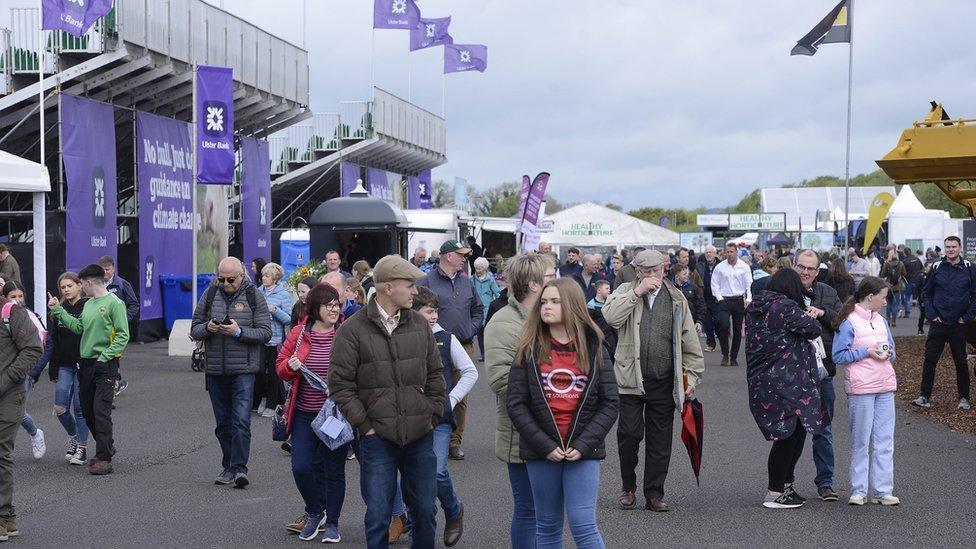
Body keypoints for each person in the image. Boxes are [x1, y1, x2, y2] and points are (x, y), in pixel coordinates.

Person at [328, 255, 445, 549]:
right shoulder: (352, 329)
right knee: (379, 517)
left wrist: (432, 415)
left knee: (425, 514)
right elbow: (340, 384)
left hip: (420, 435)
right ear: (388, 288)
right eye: (410, 285)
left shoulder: (420, 325)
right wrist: (365, 426)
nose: (415, 292)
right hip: (377, 438)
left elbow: (435, 374)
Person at [507, 278, 618, 548]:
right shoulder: (528, 349)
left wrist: (583, 444)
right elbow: (516, 403)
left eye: (555, 301)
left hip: (583, 449)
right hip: (541, 449)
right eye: (544, 301)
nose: (546, 306)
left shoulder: (595, 347)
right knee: (547, 527)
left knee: (584, 525)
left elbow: (610, 402)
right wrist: (544, 445)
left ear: (572, 305)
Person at [602, 250, 704, 512]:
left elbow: (690, 344)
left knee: (660, 440)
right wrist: (637, 292)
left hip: (663, 380)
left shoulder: (676, 298)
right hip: (629, 377)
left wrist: (690, 377)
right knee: (628, 434)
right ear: (637, 272)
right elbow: (611, 317)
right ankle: (628, 486)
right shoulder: (625, 290)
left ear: (663, 270)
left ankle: (654, 494)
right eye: (645, 272)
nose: (651, 277)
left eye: (655, 272)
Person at [387, 286, 478, 547]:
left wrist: (450, 399)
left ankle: (453, 510)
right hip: (408, 419)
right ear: (413, 312)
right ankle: (417, 523)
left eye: (436, 311)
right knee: (410, 475)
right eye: (428, 311)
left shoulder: (447, 339)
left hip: (438, 420)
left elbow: (470, 372)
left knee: (436, 471)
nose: (434, 316)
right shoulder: (400, 336)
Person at [485, 254, 555, 548]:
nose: (558, 283)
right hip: (522, 433)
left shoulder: (550, 316)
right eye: (552, 277)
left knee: (549, 514)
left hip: (555, 430)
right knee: (529, 511)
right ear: (534, 285)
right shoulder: (503, 323)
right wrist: (552, 390)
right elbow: (501, 380)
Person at [744, 269, 824, 509]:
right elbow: (813, 329)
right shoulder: (784, 307)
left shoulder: (757, 306)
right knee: (788, 437)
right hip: (786, 383)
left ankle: (786, 486)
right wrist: (805, 310)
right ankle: (775, 492)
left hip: (764, 382)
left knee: (794, 433)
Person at [190, 257, 272, 488]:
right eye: (221, 278)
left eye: (231, 279)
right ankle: (228, 465)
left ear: (242, 276)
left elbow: (265, 332)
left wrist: (238, 331)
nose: (225, 283)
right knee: (223, 424)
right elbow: (195, 329)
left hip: (244, 370)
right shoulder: (210, 293)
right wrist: (208, 327)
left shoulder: (254, 296)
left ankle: (239, 469)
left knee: (241, 421)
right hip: (215, 370)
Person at [276, 283, 349, 542]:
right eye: (328, 305)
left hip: (335, 415)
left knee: (333, 470)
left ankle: (334, 523)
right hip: (305, 414)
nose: (334, 309)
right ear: (315, 307)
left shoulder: (346, 332)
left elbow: (361, 369)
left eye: (336, 304)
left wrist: (341, 387)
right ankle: (316, 511)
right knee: (301, 467)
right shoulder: (298, 333)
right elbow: (280, 367)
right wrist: (290, 366)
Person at [47, 264, 130, 475]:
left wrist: (105, 357)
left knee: (100, 410)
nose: (80, 288)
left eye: (81, 284)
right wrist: (58, 311)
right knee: (88, 409)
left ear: (88, 282)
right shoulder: (90, 305)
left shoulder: (114, 303)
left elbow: (123, 335)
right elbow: (78, 327)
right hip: (85, 364)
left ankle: (103, 457)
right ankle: (107, 444)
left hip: (105, 364)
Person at [831, 276, 900, 506]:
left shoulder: (881, 320)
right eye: (883, 297)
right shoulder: (849, 322)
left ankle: (882, 490)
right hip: (861, 389)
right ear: (870, 297)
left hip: (885, 385)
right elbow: (838, 355)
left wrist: (888, 353)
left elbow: (892, 349)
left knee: (885, 440)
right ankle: (858, 490)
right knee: (861, 441)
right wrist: (867, 352)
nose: (885, 302)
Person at [417, 240, 483, 461]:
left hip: (463, 343)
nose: (464, 258)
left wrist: (471, 328)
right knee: (433, 389)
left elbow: (478, 308)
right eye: (460, 254)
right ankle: (429, 435)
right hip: (434, 344)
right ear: (447, 256)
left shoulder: (467, 282)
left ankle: (455, 441)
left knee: (461, 394)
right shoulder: (426, 281)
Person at [793, 249, 843, 501]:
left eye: (810, 268)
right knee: (790, 431)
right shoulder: (785, 292)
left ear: (817, 271)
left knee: (823, 430)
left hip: (823, 372)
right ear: (794, 266)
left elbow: (843, 322)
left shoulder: (828, 293)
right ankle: (784, 483)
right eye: (801, 266)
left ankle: (825, 482)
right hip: (792, 374)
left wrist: (822, 313)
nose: (805, 272)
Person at [32, 272, 89, 465]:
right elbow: (54, 341)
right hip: (64, 364)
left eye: (69, 286)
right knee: (60, 407)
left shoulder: (87, 306)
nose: (66, 290)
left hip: (83, 364)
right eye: (63, 287)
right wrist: (53, 368)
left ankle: (82, 448)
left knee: (80, 408)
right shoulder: (58, 309)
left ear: (79, 285)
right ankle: (73, 437)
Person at [914, 236, 976, 410]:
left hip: (959, 323)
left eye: (954, 246)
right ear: (945, 248)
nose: (950, 249)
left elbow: (975, 296)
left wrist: (967, 316)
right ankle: (924, 396)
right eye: (948, 247)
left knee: (961, 362)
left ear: (960, 248)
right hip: (938, 323)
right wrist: (932, 314)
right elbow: (926, 293)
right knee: (930, 359)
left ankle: (964, 398)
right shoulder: (936, 267)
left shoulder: (970, 269)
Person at [0, 289, 41, 541]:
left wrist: (4, 381)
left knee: (0, 451)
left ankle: (3, 518)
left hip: (9, 393)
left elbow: (32, 349)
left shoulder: (12, 312)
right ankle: (9, 519)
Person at [3, 282, 47, 460]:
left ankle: (35, 434)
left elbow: (40, 345)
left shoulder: (29, 315)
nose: (17, 300)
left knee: (16, 411)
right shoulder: (4, 315)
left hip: (22, 373)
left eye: (20, 296)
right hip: (4, 371)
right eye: (13, 297)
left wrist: (31, 372)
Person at [255, 263, 292, 418]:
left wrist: (275, 310)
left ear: (275, 278)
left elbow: (289, 319)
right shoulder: (258, 291)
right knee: (259, 371)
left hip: (276, 339)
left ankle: (272, 404)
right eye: (263, 275)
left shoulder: (283, 294)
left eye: (267, 275)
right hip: (260, 336)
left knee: (273, 373)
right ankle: (263, 399)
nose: (264, 278)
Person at [98, 256, 138, 395]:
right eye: (102, 269)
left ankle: (111, 389)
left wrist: (124, 320)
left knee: (113, 358)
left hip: (116, 331)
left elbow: (134, 305)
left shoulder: (122, 284)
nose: (105, 272)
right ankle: (114, 384)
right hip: (100, 330)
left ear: (113, 269)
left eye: (107, 269)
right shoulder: (96, 286)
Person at [710, 242, 752, 366]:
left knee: (738, 330)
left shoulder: (744, 267)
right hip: (724, 299)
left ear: (736, 252)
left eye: (731, 251)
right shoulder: (720, 267)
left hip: (738, 300)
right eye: (727, 252)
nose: (729, 254)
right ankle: (725, 353)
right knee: (724, 325)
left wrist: (748, 299)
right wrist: (719, 298)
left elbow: (749, 284)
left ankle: (733, 357)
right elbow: (715, 284)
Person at [472, 257, 501, 362]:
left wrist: (499, 304)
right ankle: (483, 354)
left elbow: (497, 292)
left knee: (488, 333)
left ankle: (490, 353)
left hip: (488, 310)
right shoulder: (472, 279)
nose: (477, 271)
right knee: (479, 333)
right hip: (477, 310)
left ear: (484, 268)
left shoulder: (490, 279)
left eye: (480, 269)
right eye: (476, 269)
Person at [695, 245, 720, 352]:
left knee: (720, 322)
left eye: (710, 252)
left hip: (718, 298)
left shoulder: (721, 265)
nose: (708, 254)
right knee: (707, 323)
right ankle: (711, 344)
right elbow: (697, 280)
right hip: (704, 298)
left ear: (715, 254)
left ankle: (723, 343)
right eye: (706, 252)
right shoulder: (700, 265)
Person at [672, 265, 706, 332]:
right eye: (684, 274)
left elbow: (701, 305)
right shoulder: (671, 288)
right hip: (675, 323)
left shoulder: (693, 287)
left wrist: (699, 321)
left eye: (687, 274)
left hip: (691, 321)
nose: (687, 276)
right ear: (677, 276)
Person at [881, 251, 906, 327]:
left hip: (888, 287)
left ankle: (888, 319)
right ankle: (894, 321)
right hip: (897, 287)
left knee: (889, 304)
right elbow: (904, 274)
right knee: (896, 305)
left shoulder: (887, 264)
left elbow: (882, 274)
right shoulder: (901, 264)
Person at [901, 248, 924, 317]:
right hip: (918, 281)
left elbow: (903, 272)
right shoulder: (917, 259)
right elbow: (922, 268)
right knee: (920, 297)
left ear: (905, 253)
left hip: (908, 281)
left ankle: (907, 313)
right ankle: (922, 313)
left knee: (907, 297)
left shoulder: (904, 261)